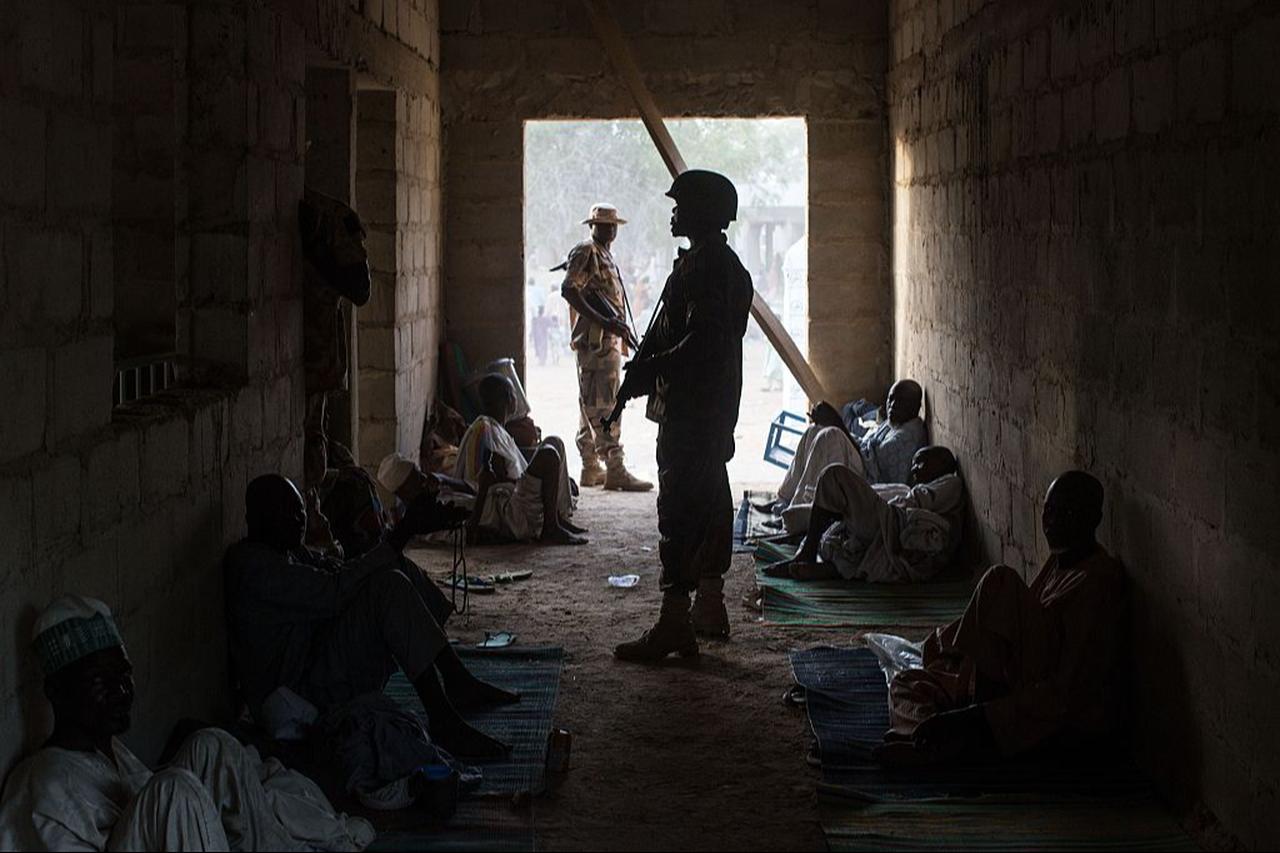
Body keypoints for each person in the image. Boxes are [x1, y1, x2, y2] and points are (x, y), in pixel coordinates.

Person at [0, 595, 373, 852]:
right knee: (175, 789)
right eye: (100, 681)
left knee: (211, 744)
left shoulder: (110, 752)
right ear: (56, 692)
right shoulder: (41, 785)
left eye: (124, 675)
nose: (121, 691)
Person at [224, 475, 516, 760]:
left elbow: (340, 570)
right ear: (257, 519)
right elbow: (333, 592)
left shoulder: (287, 552)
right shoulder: (253, 568)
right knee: (388, 587)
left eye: (301, 512)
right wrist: (401, 533)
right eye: (287, 514)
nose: (299, 521)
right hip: (298, 697)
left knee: (394, 567)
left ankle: (457, 679)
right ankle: (443, 719)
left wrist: (405, 535)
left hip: (316, 664)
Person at [877, 471, 1126, 766]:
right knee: (908, 682)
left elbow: (1065, 691)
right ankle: (922, 738)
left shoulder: (1097, 582)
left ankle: (956, 746)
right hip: (1004, 683)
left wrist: (978, 716)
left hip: (1043, 711)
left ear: (1093, 519)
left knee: (1000, 580)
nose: (1052, 521)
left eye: (1067, 512)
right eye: (1049, 510)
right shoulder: (1061, 562)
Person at [612, 170, 754, 659]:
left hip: (693, 410)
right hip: (712, 410)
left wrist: (649, 370)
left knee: (677, 507)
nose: (673, 213)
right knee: (712, 499)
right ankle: (709, 606)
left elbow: (702, 342)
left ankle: (675, 621)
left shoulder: (705, 269)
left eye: (681, 205)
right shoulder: (718, 264)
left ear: (702, 213)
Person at [763, 445, 965, 582]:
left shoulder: (951, 483)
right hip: (892, 527)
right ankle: (832, 568)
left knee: (833, 475)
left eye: (922, 461)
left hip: (896, 525)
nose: (915, 468)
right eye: (914, 463)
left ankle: (808, 554)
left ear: (944, 463)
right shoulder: (927, 486)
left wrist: (865, 502)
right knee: (834, 530)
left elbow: (914, 502)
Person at [558, 204, 652, 492]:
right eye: (603, 224)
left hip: (606, 341)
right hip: (597, 341)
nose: (610, 229)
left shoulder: (604, 254)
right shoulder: (587, 251)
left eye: (613, 225)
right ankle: (615, 467)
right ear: (592, 226)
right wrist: (605, 321)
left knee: (590, 401)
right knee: (605, 403)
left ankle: (590, 467)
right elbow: (569, 289)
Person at [764, 381, 928, 530]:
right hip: (864, 464)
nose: (892, 405)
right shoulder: (894, 423)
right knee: (815, 430)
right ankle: (784, 500)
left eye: (900, 402)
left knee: (831, 436)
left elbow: (877, 470)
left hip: (870, 482)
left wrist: (838, 424)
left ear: (915, 407)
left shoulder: (911, 433)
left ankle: (796, 515)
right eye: (891, 399)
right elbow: (867, 446)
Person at [454, 374, 587, 546]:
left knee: (555, 443)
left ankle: (557, 518)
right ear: (509, 399)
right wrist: (534, 477)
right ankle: (550, 528)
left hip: (517, 492)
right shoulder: (485, 430)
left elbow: (511, 462)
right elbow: (492, 481)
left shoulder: (497, 427)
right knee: (549, 455)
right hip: (508, 507)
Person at [299, 189, 372, 491]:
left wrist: (317, 258)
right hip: (304, 355)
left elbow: (360, 288)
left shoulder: (329, 215)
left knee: (314, 442)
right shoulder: (320, 211)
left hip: (317, 353)